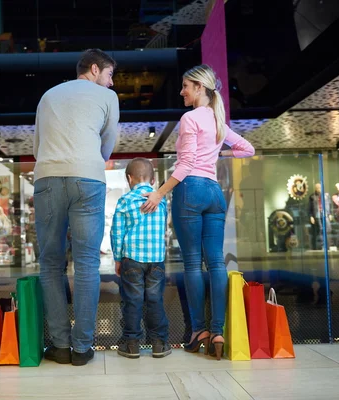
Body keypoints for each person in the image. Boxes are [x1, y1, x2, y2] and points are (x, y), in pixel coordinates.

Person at [141, 64, 254, 360]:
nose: (181, 92)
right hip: (214, 192)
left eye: (186, 87)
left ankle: (198, 332)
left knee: (192, 264)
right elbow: (247, 149)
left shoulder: (190, 118)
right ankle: (218, 331)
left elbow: (186, 164)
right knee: (216, 264)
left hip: (189, 191)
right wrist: (219, 153)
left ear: (200, 88)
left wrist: (159, 193)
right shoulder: (218, 121)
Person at [33, 49, 120, 366]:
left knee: (51, 263)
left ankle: (60, 346)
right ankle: (82, 348)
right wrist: (91, 161)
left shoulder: (48, 95)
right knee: (86, 265)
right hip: (88, 179)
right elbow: (107, 143)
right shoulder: (106, 97)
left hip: (48, 179)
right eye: (109, 75)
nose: (110, 83)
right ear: (94, 69)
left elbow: (37, 143)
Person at [110, 158, 171, 359]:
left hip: (132, 259)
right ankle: (159, 344)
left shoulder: (125, 201)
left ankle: (132, 345)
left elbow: (116, 232)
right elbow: (163, 230)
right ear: (153, 180)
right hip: (156, 259)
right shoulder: (160, 203)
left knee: (132, 301)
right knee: (155, 300)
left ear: (129, 178)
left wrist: (118, 259)